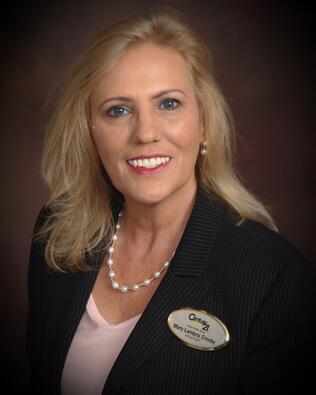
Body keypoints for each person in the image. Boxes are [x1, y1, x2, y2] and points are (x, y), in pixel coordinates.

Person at [26, 7, 315, 395]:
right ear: (91, 132)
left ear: (204, 123)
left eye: (169, 104)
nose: (145, 133)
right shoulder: (57, 236)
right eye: (119, 110)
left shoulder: (275, 280)